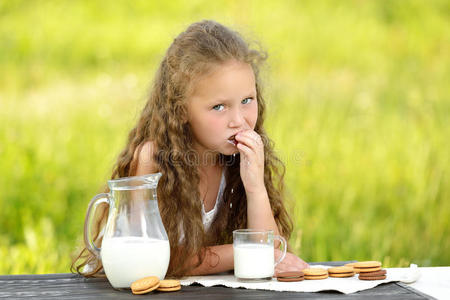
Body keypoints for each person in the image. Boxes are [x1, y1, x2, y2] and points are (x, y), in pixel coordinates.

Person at [72, 20, 308, 278]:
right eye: (219, 107)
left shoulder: (237, 159)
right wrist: (243, 252)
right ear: (181, 110)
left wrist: (255, 189)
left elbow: (274, 255)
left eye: (247, 100)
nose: (238, 120)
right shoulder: (154, 159)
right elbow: (158, 262)